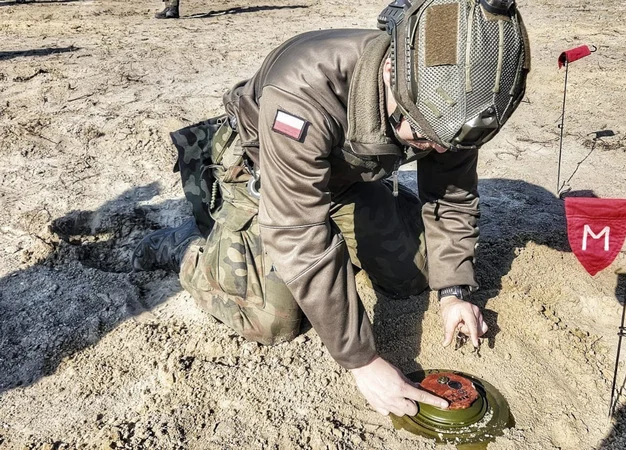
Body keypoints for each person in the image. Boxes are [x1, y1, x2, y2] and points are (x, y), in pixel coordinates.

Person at [133, 0, 530, 416]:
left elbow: (451, 195)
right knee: (275, 319)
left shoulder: (455, 99)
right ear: (394, 73)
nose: (435, 150)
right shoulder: (303, 93)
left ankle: (340, 255)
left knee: (420, 271)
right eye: (425, 137)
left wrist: (453, 292)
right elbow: (297, 230)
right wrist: (363, 360)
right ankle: (192, 249)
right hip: (266, 175)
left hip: (348, 178)